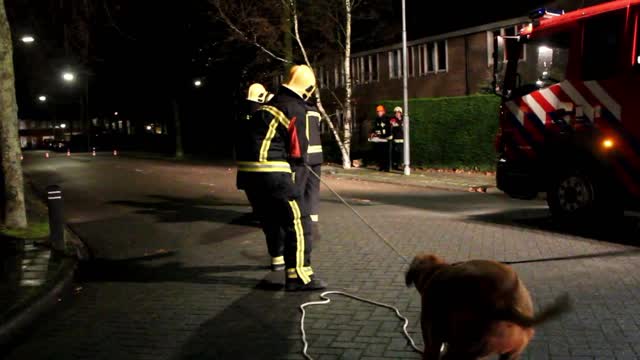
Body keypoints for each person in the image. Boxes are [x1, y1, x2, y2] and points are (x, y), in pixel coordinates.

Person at [236, 65, 327, 291]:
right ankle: (300, 277)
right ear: (307, 88)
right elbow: (298, 152)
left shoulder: (270, 105)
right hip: (273, 173)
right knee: (299, 221)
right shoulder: (295, 108)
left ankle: (281, 262)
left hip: (249, 176)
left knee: (273, 219)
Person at [236, 83, 285, 272]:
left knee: (266, 218)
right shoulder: (267, 115)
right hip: (271, 173)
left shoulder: (241, 116)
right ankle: (287, 258)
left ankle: (277, 257)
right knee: (281, 216)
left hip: (248, 176)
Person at [370, 105, 392, 171]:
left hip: (386, 138)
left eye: (380, 111)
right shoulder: (377, 119)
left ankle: (387, 168)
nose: (379, 113)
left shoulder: (387, 118)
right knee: (380, 153)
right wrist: (373, 133)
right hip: (380, 138)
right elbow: (375, 128)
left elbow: (389, 128)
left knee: (386, 154)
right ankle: (381, 166)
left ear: (383, 112)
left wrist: (387, 135)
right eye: (378, 111)